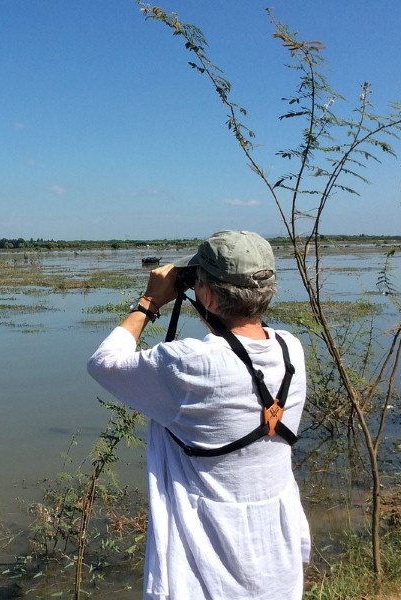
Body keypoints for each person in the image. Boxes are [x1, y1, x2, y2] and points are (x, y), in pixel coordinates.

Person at [87, 230, 310, 599]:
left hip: (207, 567)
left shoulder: (189, 364)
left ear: (205, 294)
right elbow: (247, 342)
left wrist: (148, 302)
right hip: (275, 557)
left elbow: (104, 363)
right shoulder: (291, 350)